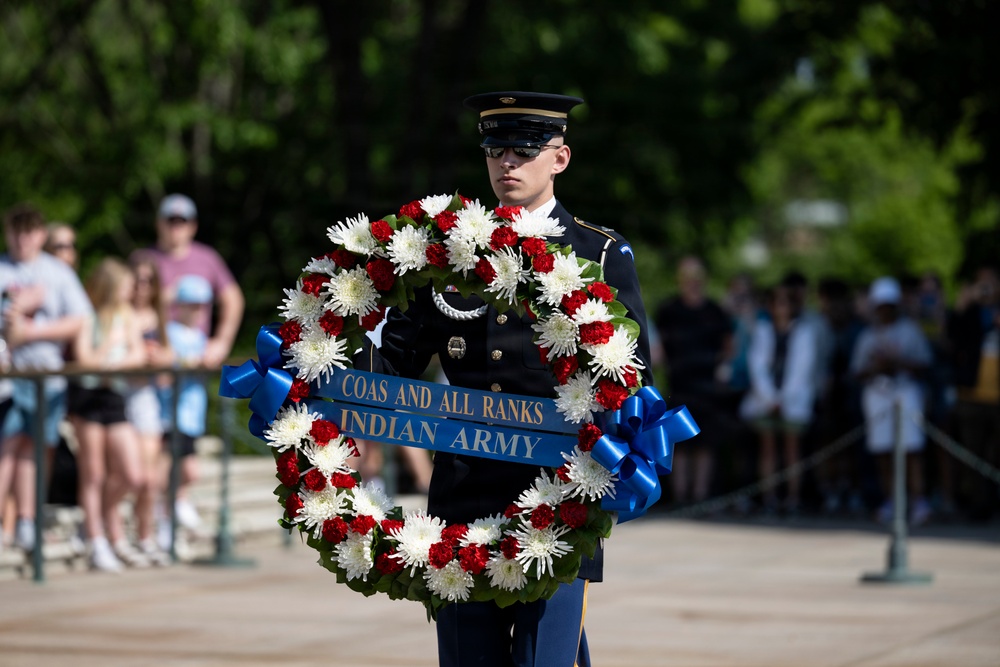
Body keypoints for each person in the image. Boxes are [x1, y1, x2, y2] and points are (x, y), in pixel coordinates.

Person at [361, 91, 652, 667]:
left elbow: (631, 379)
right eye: (495, 149)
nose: (507, 163)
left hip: (558, 502)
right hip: (463, 495)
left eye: (524, 149)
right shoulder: (449, 253)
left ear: (559, 159)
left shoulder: (598, 254)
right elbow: (391, 360)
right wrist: (313, 385)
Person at [0, 204, 90, 555]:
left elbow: (78, 319)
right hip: (9, 378)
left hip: (46, 377)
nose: (23, 239)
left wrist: (31, 330)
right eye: (16, 231)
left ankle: (26, 520)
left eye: (29, 231)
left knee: (36, 450)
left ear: (40, 234)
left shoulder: (56, 273)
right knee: (8, 447)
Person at [68, 258, 152, 571]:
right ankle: (96, 538)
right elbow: (85, 359)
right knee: (94, 473)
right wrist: (109, 351)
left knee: (133, 473)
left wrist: (110, 365)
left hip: (113, 395)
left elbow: (138, 353)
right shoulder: (87, 319)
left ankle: (101, 519)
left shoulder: (126, 316)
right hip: (87, 397)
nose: (132, 290)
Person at [850, 277, 933, 525]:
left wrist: (898, 363)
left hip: (906, 392)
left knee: (911, 449)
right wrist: (877, 367)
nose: (885, 310)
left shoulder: (911, 331)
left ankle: (918, 501)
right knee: (882, 450)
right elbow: (857, 371)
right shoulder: (868, 335)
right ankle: (892, 500)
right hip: (877, 395)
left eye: (889, 305)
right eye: (880, 305)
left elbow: (925, 365)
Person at [131, 193, 244, 368]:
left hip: (194, 359)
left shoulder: (208, 258)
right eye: (170, 220)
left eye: (182, 221)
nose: (176, 227)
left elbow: (233, 300)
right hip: (152, 357)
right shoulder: (143, 259)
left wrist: (222, 342)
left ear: (193, 226)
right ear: (158, 223)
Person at [654, 257, 732, 507]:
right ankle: (681, 498)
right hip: (679, 385)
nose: (692, 283)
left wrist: (720, 365)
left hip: (707, 386)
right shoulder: (668, 310)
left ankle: (700, 497)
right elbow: (657, 347)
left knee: (705, 444)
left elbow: (729, 343)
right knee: (679, 443)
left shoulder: (714, 310)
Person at [739, 285, 818, 514]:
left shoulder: (804, 332)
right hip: (766, 400)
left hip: (793, 400)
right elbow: (757, 365)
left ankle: (792, 498)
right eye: (776, 303)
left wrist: (783, 399)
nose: (780, 308)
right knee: (768, 451)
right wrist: (771, 398)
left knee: (792, 451)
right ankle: (770, 497)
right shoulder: (763, 330)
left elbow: (801, 369)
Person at [126, 258, 173, 563]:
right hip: (125, 397)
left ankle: (146, 535)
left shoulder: (159, 318)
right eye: (137, 280)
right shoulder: (122, 315)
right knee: (133, 476)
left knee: (152, 479)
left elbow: (170, 358)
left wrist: (161, 358)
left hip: (151, 400)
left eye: (148, 281)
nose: (142, 287)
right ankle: (120, 534)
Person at [160, 274, 212, 545]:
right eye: (191, 304)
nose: (196, 311)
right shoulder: (169, 331)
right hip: (172, 411)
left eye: (201, 305)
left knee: (184, 468)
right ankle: (170, 509)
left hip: (192, 411)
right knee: (183, 468)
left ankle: (172, 508)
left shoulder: (201, 336)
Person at [948, 265, 1000, 520]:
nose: (986, 288)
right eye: (981, 283)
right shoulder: (969, 313)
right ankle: (978, 506)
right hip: (972, 396)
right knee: (973, 456)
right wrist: (964, 302)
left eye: (990, 283)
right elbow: (951, 337)